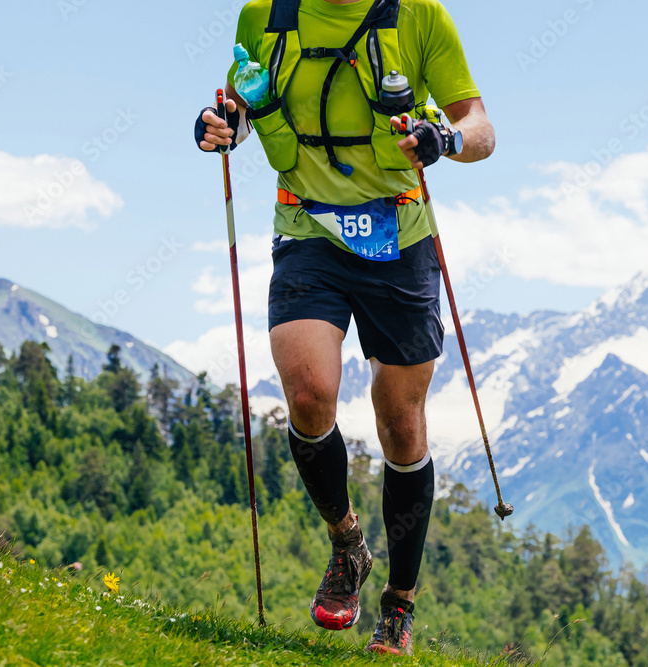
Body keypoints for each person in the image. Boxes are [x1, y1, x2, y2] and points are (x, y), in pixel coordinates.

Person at [194, 0, 494, 655]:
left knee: (401, 421)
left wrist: (443, 138)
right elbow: (248, 100)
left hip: (400, 233)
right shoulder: (263, 16)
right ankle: (347, 543)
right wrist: (223, 124)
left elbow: (481, 128)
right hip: (308, 229)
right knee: (306, 393)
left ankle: (398, 606)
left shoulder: (420, 17)